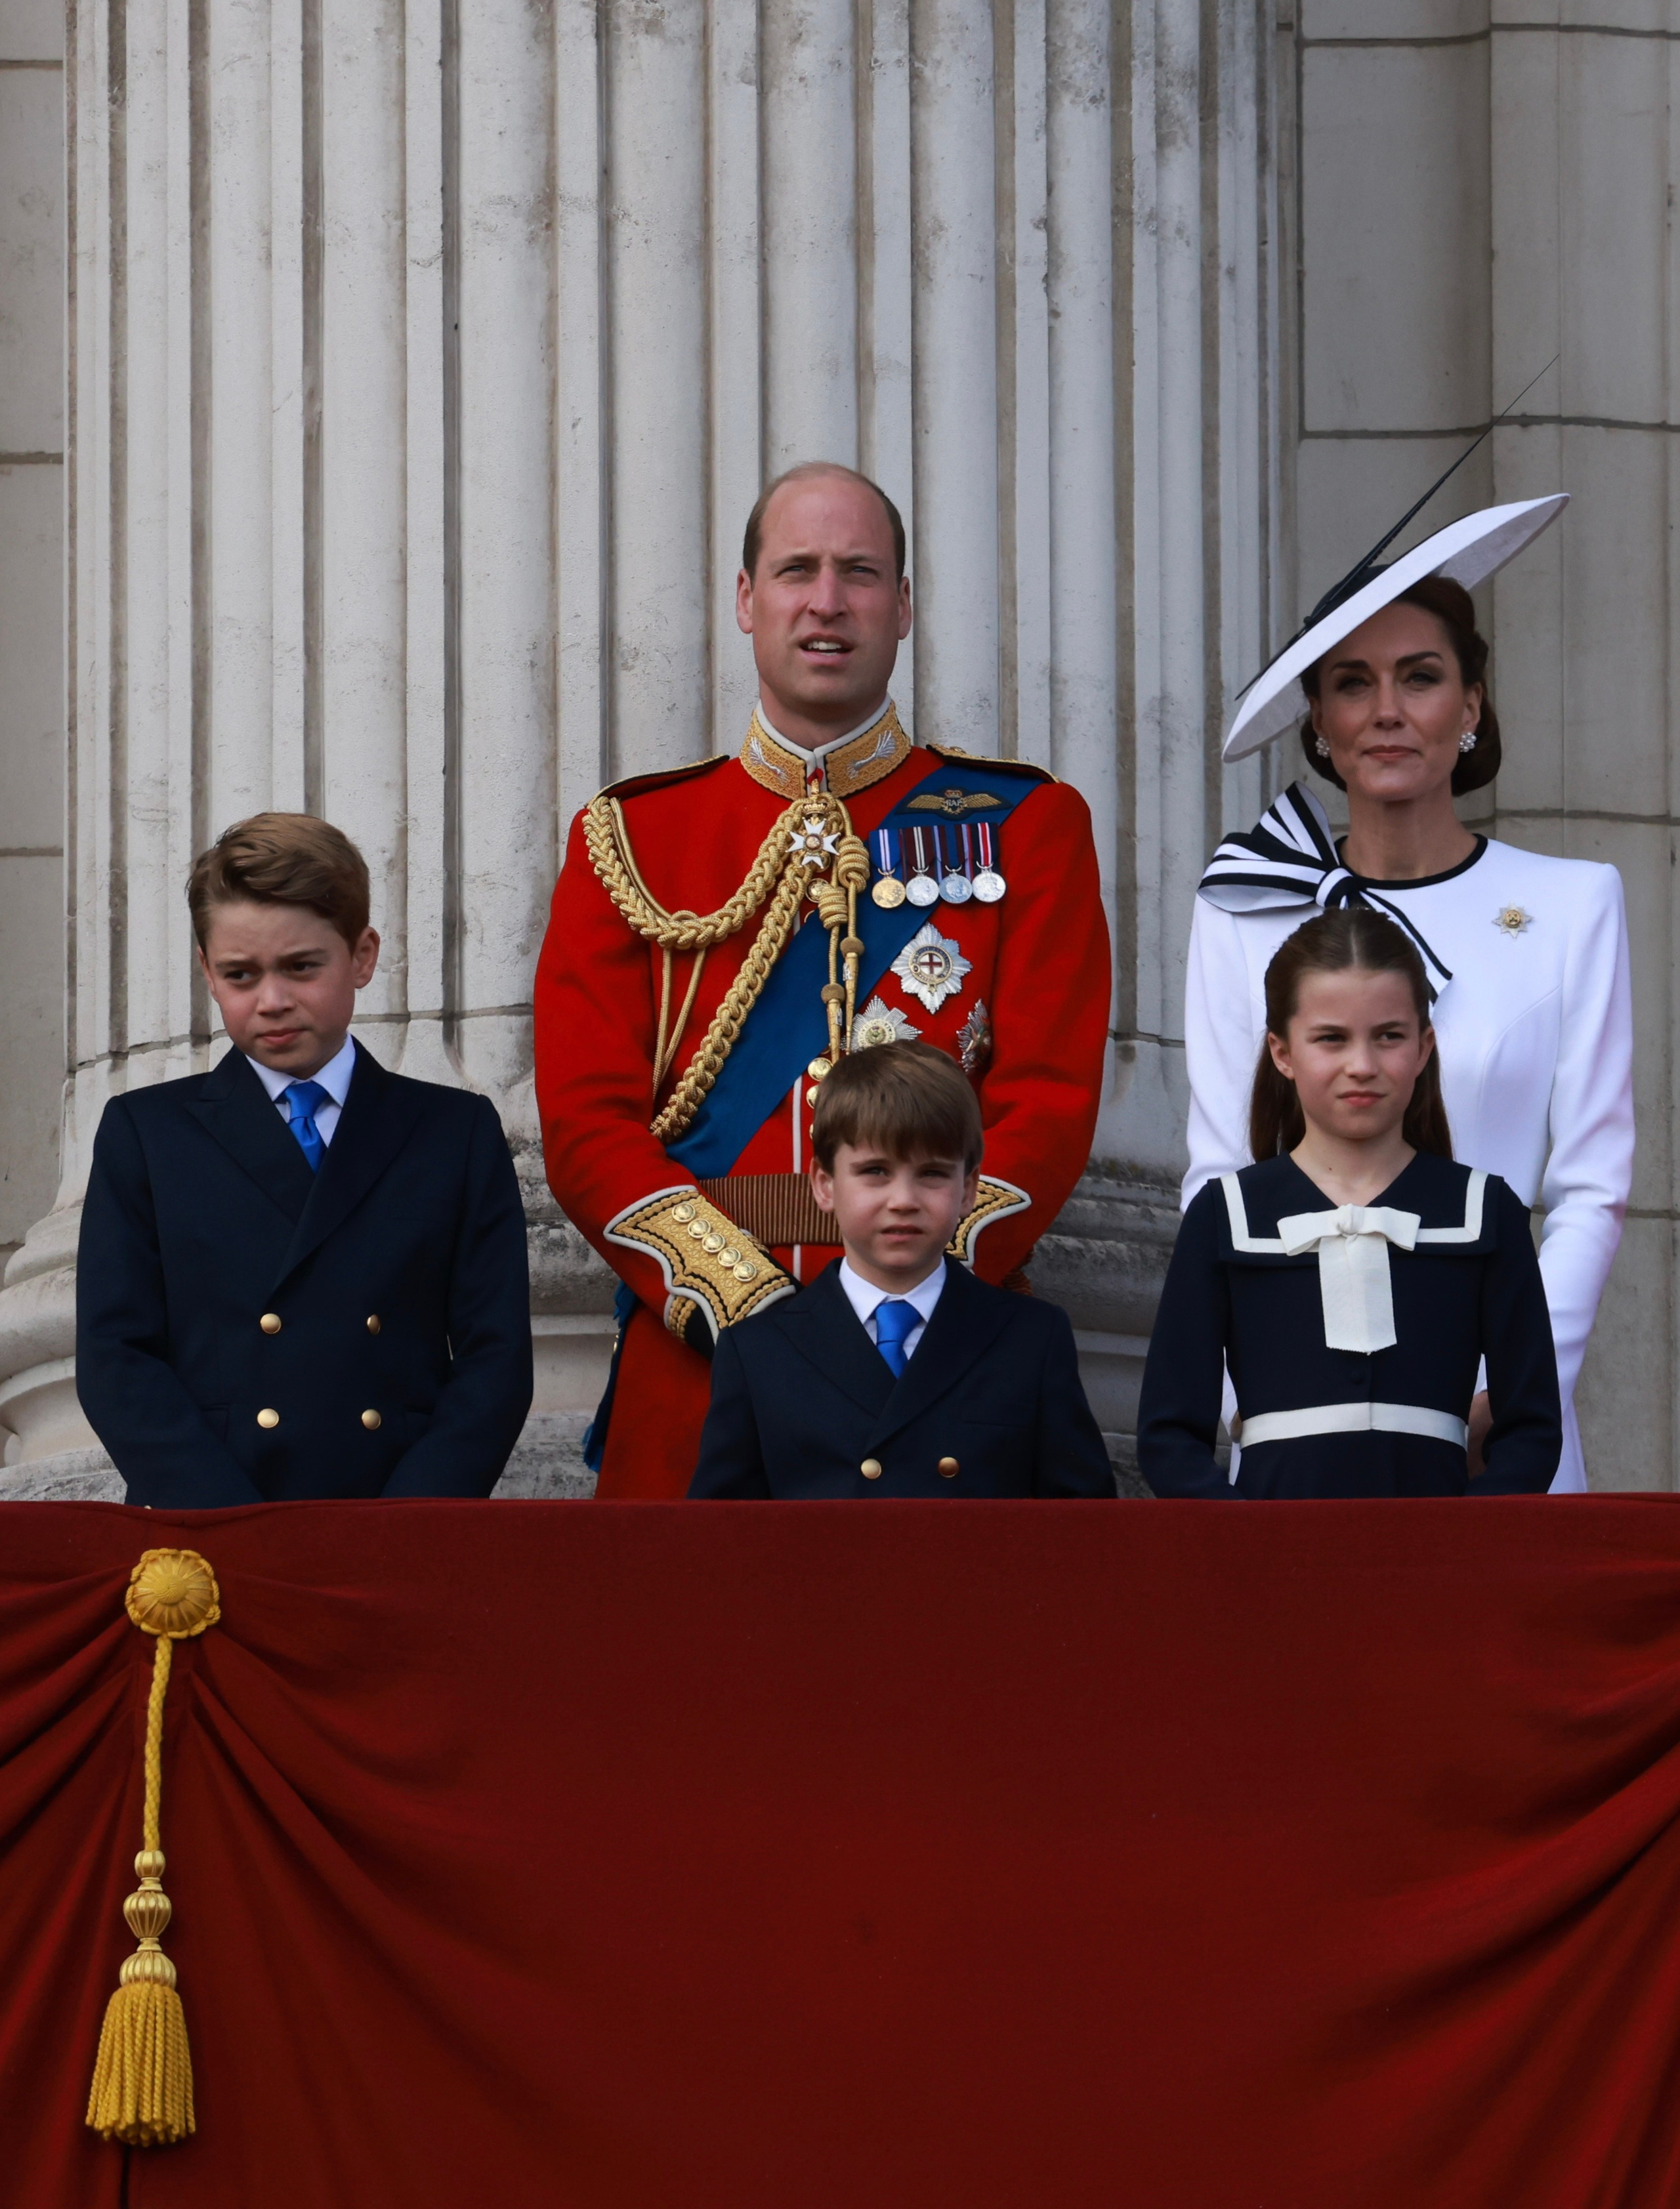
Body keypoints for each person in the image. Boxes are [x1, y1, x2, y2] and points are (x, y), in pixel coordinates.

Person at [535, 461, 1110, 1498]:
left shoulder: (1029, 825)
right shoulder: (631, 837)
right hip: (701, 1360)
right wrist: (754, 1308)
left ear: (903, 606)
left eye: (860, 571)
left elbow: (1048, 1103)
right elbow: (585, 1123)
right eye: (796, 569)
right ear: (748, 601)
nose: (828, 599)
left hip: (945, 1362)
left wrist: (906, 1284)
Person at [1187, 495, 1631, 1492]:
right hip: (1299, 1418)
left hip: (1493, 1426)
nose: (1387, 710)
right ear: (1320, 719)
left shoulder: (1570, 905)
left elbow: (1592, 1190)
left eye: (1420, 677)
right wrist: (1245, 1389)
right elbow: (1218, 1170)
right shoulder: (1245, 907)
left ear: (1470, 704)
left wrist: (1511, 1391)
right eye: (1353, 683)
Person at [76, 813, 534, 1505]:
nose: (272, 1001)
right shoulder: (146, 1133)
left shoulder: (454, 1132)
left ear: (362, 955)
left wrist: (408, 1523)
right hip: (209, 1531)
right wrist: (227, 1526)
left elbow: (495, 1360)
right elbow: (117, 1359)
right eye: (240, 974)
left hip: (397, 1528)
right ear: (207, 971)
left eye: (300, 967)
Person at [1141, 912, 1560, 1498]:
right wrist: (1239, 1542)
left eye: (1389, 1036)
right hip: (1270, 1564)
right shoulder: (1227, 1212)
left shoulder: (1485, 1210)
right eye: (1331, 1038)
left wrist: (1470, 1545)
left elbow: (1532, 1429)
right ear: (1282, 1052)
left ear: (1423, 1047)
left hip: (1440, 1565)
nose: (1362, 1065)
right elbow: (1169, 1435)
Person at [690, 1042, 1113, 1498]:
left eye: (932, 1174)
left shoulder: (1031, 1339)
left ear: (969, 1189)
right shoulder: (758, 1351)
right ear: (825, 1185)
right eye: (875, 1171)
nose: (904, 1200)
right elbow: (724, 1542)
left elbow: (1082, 1532)